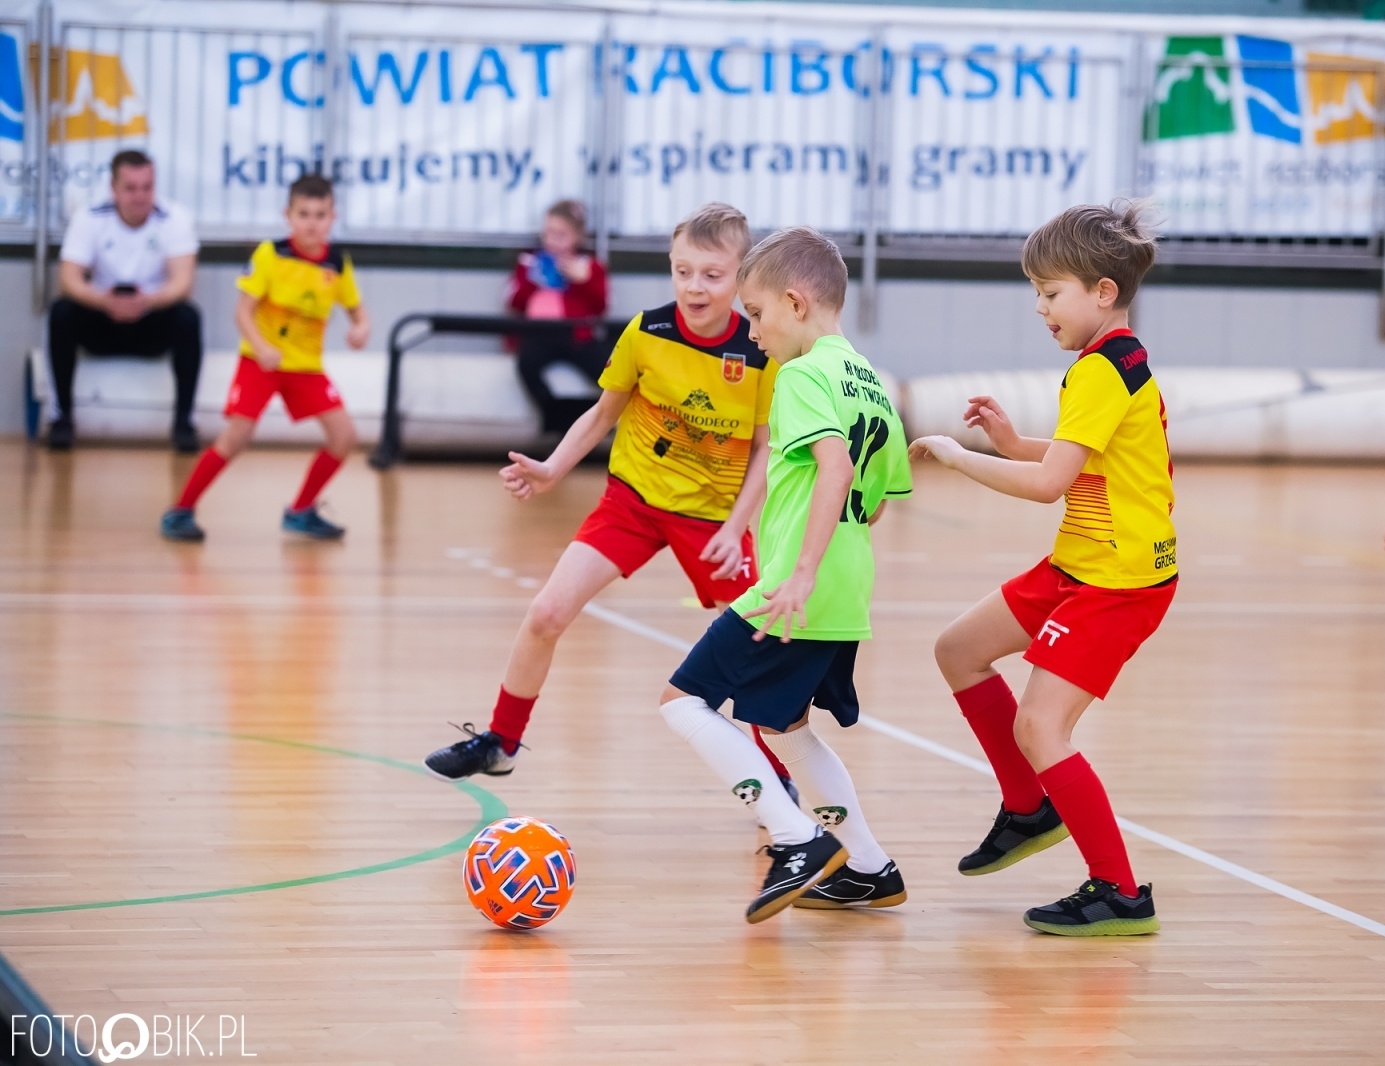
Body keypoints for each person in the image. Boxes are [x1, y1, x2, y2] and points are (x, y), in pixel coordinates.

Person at [425, 203, 796, 801]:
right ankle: (501, 742)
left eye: (711, 274)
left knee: (757, 643)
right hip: (632, 502)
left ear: (742, 276)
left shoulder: (758, 354)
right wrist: (551, 469)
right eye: (682, 271)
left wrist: (736, 527)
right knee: (546, 614)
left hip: (711, 521)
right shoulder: (646, 333)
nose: (694, 287)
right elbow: (601, 414)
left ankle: (777, 779)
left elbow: (764, 449)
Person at [910, 201, 1170, 937]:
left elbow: (1051, 485)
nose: (1040, 308)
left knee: (1040, 726)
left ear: (1102, 292)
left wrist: (963, 457)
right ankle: (1029, 809)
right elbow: (1078, 459)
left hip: (1118, 581)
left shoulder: (1100, 371)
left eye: (1051, 293)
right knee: (958, 650)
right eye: (1037, 292)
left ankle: (1121, 892)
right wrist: (1011, 442)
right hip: (1081, 564)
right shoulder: (1114, 359)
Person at [657, 226, 914, 923]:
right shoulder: (873, 384)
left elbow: (834, 467)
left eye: (756, 313)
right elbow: (877, 502)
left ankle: (796, 839)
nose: (752, 331)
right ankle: (869, 867)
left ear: (796, 303)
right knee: (788, 726)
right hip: (847, 588)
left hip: (796, 588)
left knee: (682, 702)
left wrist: (799, 572)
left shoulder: (801, 376)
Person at [158, 174, 369, 543]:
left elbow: (356, 310)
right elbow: (242, 312)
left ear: (332, 217)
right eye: (303, 214)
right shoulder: (271, 255)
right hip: (260, 362)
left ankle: (301, 511)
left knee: (344, 436)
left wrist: (361, 328)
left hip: (305, 367)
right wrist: (261, 346)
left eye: (320, 215)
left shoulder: (336, 263)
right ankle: (181, 510)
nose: (312, 223)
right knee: (236, 437)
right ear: (288, 215)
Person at [48, 149, 202, 452]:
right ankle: (62, 418)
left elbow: (182, 284)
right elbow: (68, 279)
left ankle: (184, 423)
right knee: (61, 312)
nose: (140, 196)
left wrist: (148, 301)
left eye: (147, 187)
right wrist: (103, 301)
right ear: (113, 188)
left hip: (151, 319)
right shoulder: (89, 217)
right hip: (102, 318)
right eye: (131, 188)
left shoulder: (176, 218)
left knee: (188, 317)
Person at [505, 199, 610, 434]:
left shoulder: (590, 266)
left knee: (606, 372)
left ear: (578, 237)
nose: (553, 240)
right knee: (527, 365)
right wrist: (532, 281)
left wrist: (584, 281)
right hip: (537, 334)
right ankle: (554, 416)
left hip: (576, 335)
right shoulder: (528, 262)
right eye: (548, 233)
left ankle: (596, 420)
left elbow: (601, 306)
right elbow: (513, 301)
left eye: (561, 235)